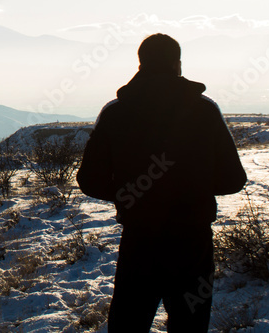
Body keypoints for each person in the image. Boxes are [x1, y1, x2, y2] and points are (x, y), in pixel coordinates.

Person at [76, 33, 247, 332]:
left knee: (128, 324)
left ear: (141, 64)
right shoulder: (205, 111)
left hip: (140, 243)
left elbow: (89, 179)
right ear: (177, 64)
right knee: (190, 326)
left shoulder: (116, 113)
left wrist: (129, 194)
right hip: (193, 245)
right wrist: (194, 187)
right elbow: (234, 178)